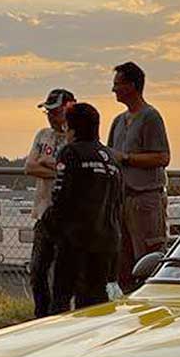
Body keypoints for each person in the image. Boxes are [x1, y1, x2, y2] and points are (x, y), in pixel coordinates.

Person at [45, 102, 123, 312]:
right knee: (95, 301)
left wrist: (51, 229)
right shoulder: (111, 159)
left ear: (72, 128)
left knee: (61, 298)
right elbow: (118, 202)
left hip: (76, 239)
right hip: (108, 241)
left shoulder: (70, 152)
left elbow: (60, 197)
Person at [107, 61, 171, 291]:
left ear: (132, 86)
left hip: (145, 199)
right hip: (122, 199)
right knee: (121, 260)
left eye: (117, 84)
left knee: (147, 257)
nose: (113, 89)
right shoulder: (118, 121)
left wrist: (126, 158)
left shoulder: (150, 117)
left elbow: (163, 157)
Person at [23, 88, 74, 316]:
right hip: (43, 213)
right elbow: (30, 166)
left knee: (64, 273)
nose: (51, 117)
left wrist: (47, 164)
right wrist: (56, 168)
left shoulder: (76, 138)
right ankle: (41, 314)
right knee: (37, 270)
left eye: (56, 112)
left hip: (68, 216)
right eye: (49, 112)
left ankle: (59, 314)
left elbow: (74, 172)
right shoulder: (43, 135)